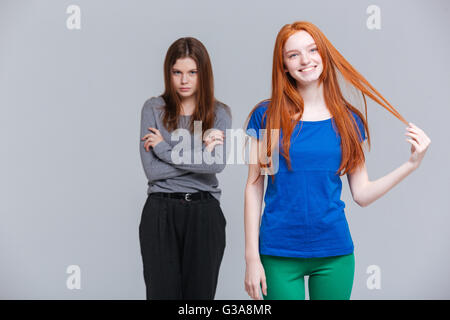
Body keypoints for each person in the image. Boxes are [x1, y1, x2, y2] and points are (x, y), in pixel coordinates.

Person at [243, 21, 431, 300]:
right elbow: (254, 186)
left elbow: (362, 194)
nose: (306, 60)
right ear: (283, 65)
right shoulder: (265, 115)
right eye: (293, 55)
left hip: (334, 254)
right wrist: (251, 259)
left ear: (324, 55)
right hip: (278, 252)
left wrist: (411, 164)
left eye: (312, 50)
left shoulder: (349, 119)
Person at [139, 37, 232, 300]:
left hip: (205, 213)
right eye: (177, 72)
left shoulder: (219, 113)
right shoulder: (153, 109)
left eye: (192, 72)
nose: (184, 80)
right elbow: (152, 172)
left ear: (204, 74)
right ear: (168, 73)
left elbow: (216, 163)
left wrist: (163, 150)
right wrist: (200, 156)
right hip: (160, 212)